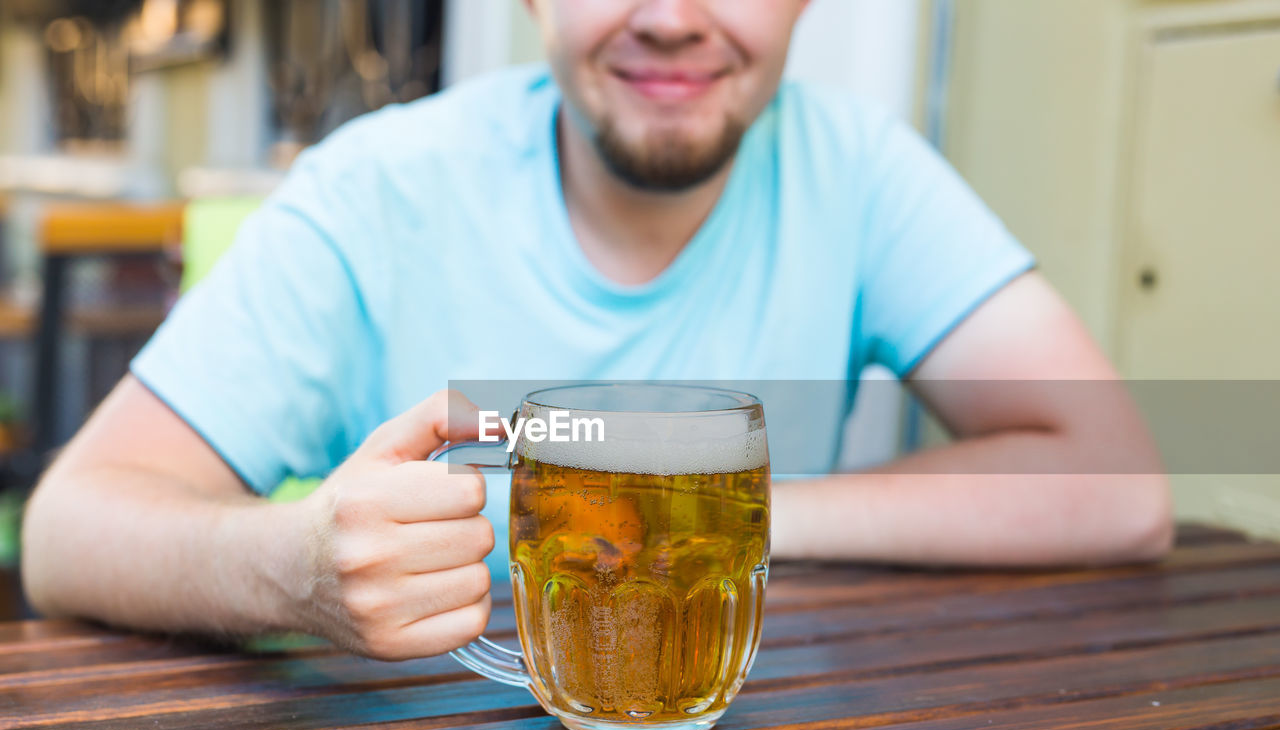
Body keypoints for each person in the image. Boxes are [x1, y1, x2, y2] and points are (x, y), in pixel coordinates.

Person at [21, 0, 1172, 661]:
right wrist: (292, 565)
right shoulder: (374, 192)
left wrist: (722, 513)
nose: (671, 18)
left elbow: (1119, 484)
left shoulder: (857, 171)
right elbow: (69, 529)